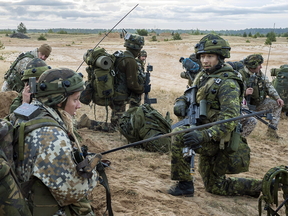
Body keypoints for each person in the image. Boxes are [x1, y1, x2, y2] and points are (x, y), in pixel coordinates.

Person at [168, 34, 262, 197]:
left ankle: (185, 185)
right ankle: (256, 188)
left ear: (220, 57)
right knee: (215, 187)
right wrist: (181, 101)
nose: (205, 61)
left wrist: (204, 134)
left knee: (179, 136)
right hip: (203, 132)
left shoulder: (228, 83)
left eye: (209, 56)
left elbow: (229, 119)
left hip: (219, 140)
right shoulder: (204, 76)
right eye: (202, 56)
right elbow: (190, 94)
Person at [9, 68, 100, 215]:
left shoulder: (25, 111)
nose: (79, 105)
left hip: (20, 196)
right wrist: (93, 173)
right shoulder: (52, 136)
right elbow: (73, 192)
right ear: (59, 101)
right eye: (75, 99)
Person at [78, 33, 145, 132]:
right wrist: (142, 89)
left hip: (114, 93)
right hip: (119, 97)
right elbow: (132, 84)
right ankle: (87, 122)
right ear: (137, 48)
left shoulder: (119, 55)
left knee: (120, 122)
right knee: (115, 127)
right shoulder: (130, 61)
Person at [239, 54, 284, 139]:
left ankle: (271, 133)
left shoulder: (259, 74)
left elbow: (269, 86)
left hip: (259, 103)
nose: (261, 67)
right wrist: (244, 93)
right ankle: (240, 137)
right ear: (252, 67)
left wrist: (277, 98)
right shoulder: (241, 75)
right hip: (244, 106)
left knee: (277, 105)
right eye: (259, 65)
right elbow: (234, 94)